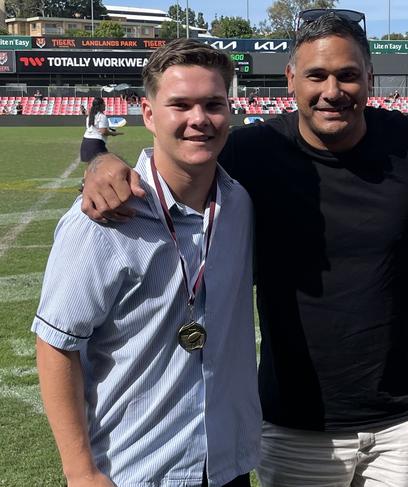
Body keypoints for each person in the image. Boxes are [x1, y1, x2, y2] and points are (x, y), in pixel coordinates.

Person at [80, 11, 408, 487]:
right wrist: (102, 164)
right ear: (291, 80)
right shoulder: (251, 150)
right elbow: (172, 161)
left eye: (347, 75)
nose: (332, 89)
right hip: (291, 425)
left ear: (369, 80)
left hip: (404, 421)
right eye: (316, 75)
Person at [32, 38, 260, 487]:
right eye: (181, 104)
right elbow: (55, 344)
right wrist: (80, 472)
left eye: (213, 104)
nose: (199, 119)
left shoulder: (239, 203)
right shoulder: (104, 217)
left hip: (227, 467)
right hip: (138, 470)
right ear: (149, 114)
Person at [79, 97, 122, 163]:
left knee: (92, 168)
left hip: (85, 143)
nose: (105, 105)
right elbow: (103, 132)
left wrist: (83, 110)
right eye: (103, 103)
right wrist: (113, 134)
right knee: (108, 165)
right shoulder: (102, 116)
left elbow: (86, 113)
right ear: (100, 105)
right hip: (96, 145)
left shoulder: (90, 115)